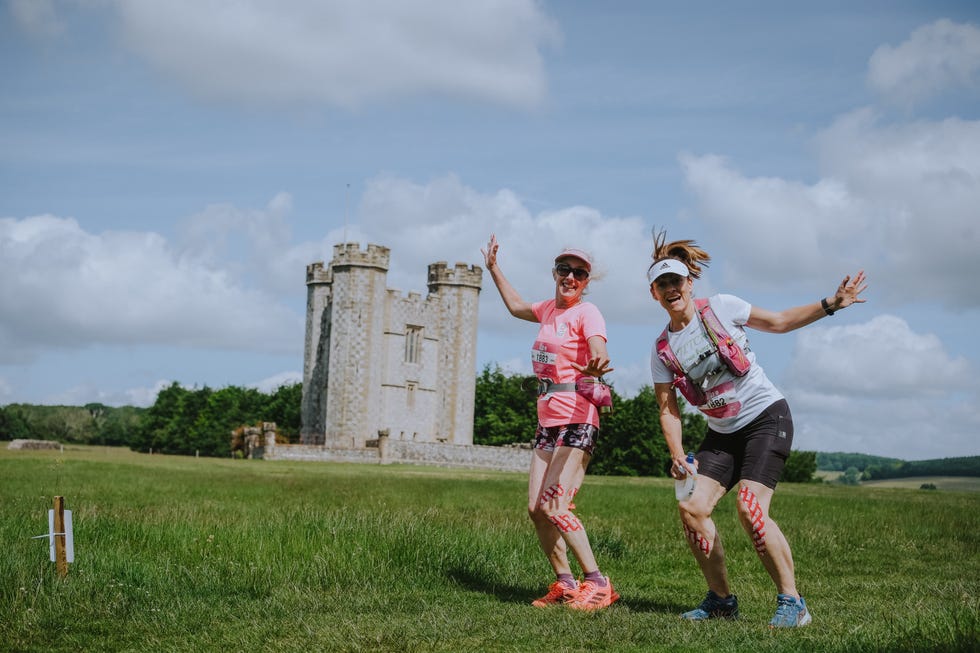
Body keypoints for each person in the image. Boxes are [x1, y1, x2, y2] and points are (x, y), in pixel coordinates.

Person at [646, 229, 867, 628]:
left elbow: (779, 322)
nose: (670, 289)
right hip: (722, 433)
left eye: (675, 281)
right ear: (654, 294)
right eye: (661, 284)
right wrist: (677, 455)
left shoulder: (721, 307)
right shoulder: (662, 349)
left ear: (689, 284)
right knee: (691, 509)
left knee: (750, 509)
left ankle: (793, 602)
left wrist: (831, 304)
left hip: (767, 417)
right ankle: (721, 602)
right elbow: (668, 409)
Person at [481, 233, 619, 611]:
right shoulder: (548, 310)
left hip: (578, 417)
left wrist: (598, 361)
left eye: (579, 273)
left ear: (586, 282)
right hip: (548, 421)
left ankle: (599, 583)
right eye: (564, 269)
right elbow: (514, 306)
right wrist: (493, 268)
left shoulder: (586, 312)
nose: (570, 277)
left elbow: (598, 346)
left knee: (557, 506)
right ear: (555, 272)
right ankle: (566, 582)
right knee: (535, 509)